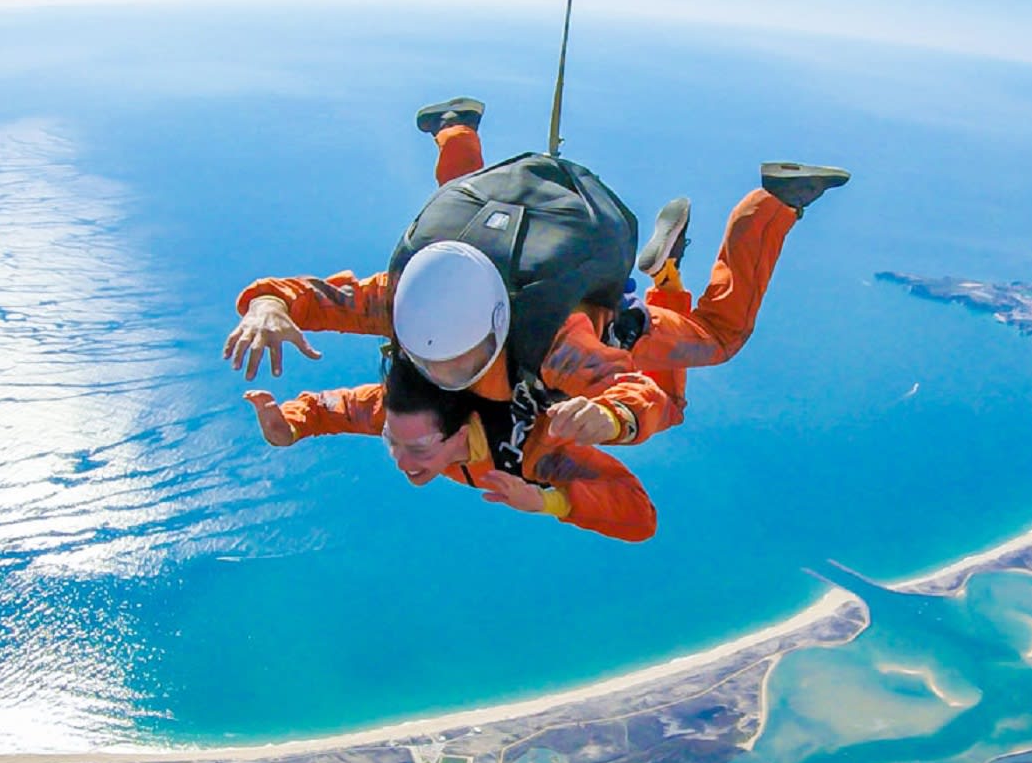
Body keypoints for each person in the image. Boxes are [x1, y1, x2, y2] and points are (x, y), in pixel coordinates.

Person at [227, 97, 851, 539]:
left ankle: (771, 203)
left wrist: (611, 418)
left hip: (596, 320)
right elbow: (340, 382)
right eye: (400, 443)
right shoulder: (407, 316)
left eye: (409, 445)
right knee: (461, 216)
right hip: (489, 250)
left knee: (716, 342)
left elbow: (631, 407)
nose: (402, 457)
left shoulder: (548, 368)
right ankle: (455, 127)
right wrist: (269, 318)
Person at [248, 349, 659, 542]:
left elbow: (641, 517)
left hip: (629, 366)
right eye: (391, 442)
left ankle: (666, 281)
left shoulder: (535, 447)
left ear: (462, 434)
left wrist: (547, 502)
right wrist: (289, 425)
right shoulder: (405, 419)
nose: (402, 461)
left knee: (672, 392)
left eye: (419, 450)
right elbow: (331, 409)